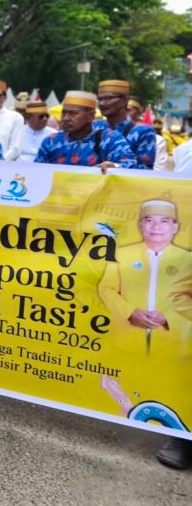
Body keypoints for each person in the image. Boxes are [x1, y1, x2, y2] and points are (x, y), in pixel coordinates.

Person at [97, 200, 192, 469]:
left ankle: (180, 436)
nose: (156, 226)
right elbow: (107, 289)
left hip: (175, 344)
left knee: (176, 387)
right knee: (118, 387)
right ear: (140, 225)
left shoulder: (188, 259)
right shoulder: (122, 254)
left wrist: (168, 319)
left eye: (164, 221)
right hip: (127, 340)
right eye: (150, 220)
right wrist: (130, 312)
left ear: (175, 227)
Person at [34, 91, 134, 169]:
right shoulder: (51, 141)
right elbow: (36, 172)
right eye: (64, 113)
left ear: (91, 116)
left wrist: (114, 166)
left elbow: (130, 164)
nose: (65, 118)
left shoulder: (110, 139)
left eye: (73, 113)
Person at [93, 80, 156, 170]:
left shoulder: (143, 132)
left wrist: (117, 167)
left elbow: (145, 169)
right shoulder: (95, 127)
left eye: (108, 98)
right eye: (100, 99)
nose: (102, 103)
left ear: (124, 101)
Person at [128, 97, 169, 171]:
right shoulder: (113, 136)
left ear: (139, 112)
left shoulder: (158, 140)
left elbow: (158, 170)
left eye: (129, 110)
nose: (124, 114)